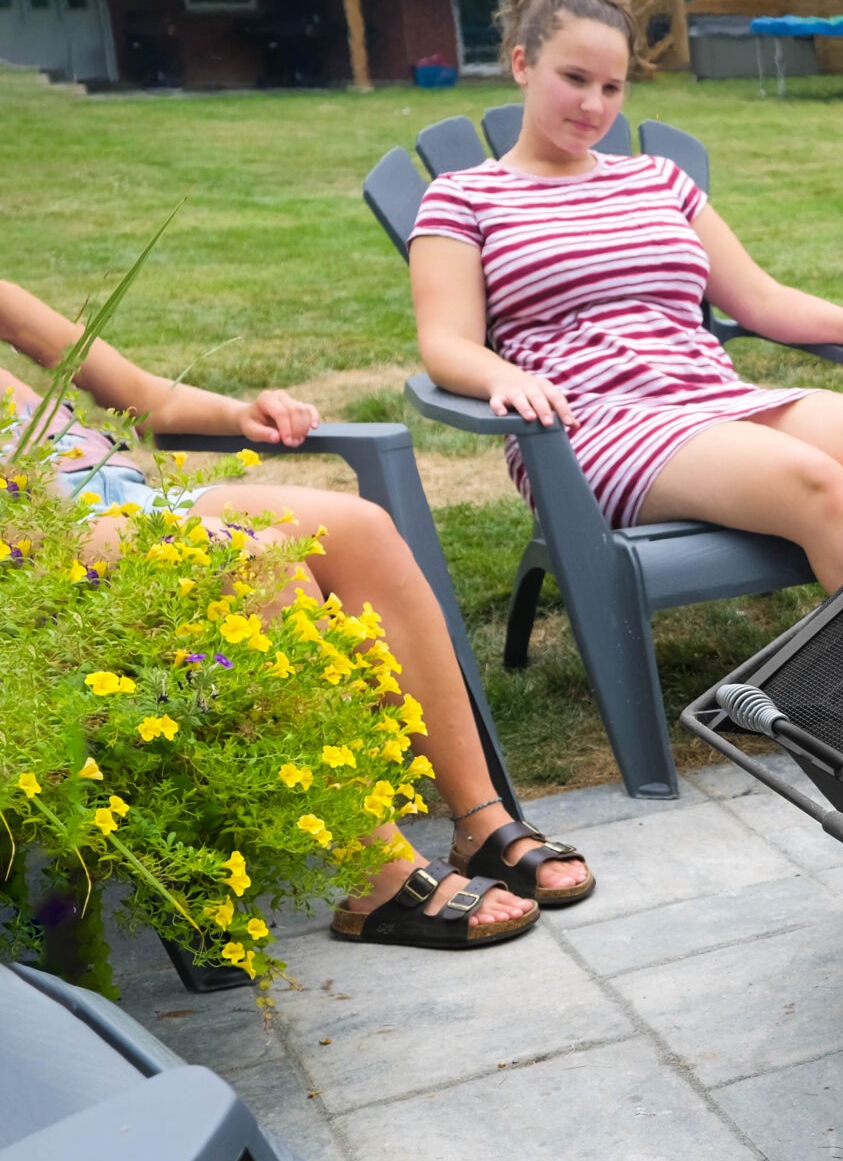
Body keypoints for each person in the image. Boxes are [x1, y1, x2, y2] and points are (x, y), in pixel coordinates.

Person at [0, 280, 594, 948]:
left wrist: (238, 412)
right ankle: (381, 873)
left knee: (359, 528)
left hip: (115, 499)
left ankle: (479, 822)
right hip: (30, 550)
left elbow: (139, 393)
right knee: (256, 558)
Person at [408, 0, 843, 594]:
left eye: (612, 87)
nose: (594, 105)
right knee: (818, 482)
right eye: (575, 78)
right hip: (592, 425)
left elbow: (759, 299)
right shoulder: (465, 196)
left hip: (714, 399)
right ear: (523, 65)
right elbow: (445, 344)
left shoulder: (657, 179)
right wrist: (504, 375)